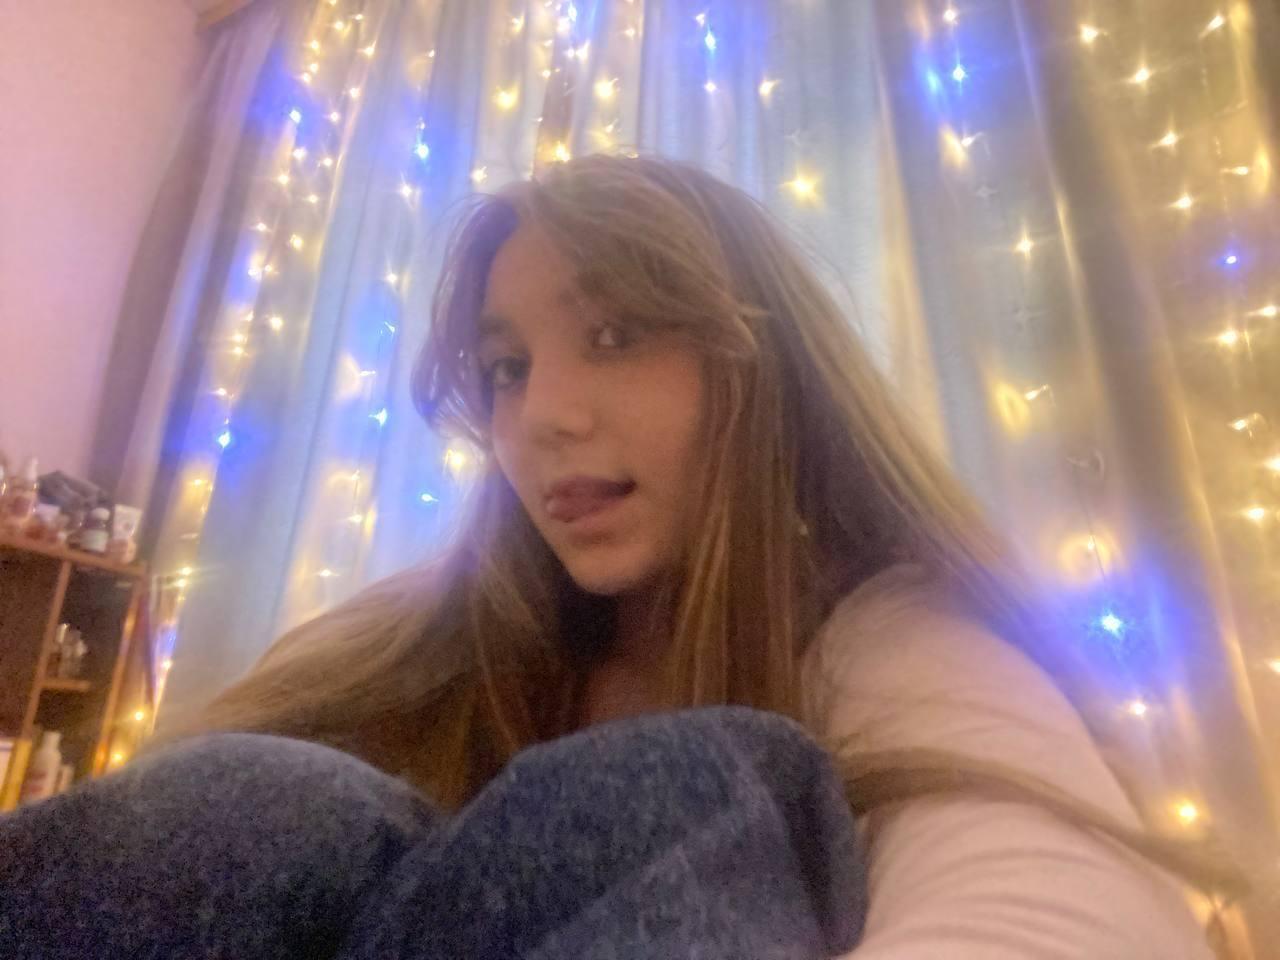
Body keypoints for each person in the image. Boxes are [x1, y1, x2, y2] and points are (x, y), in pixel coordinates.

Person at [4, 156, 1236, 958]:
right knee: (268, 800)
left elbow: (1057, 916)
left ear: (763, 366)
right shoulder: (405, 641)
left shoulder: (886, 634)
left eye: (614, 334)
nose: (540, 416)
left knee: (691, 786)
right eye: (506, 369)